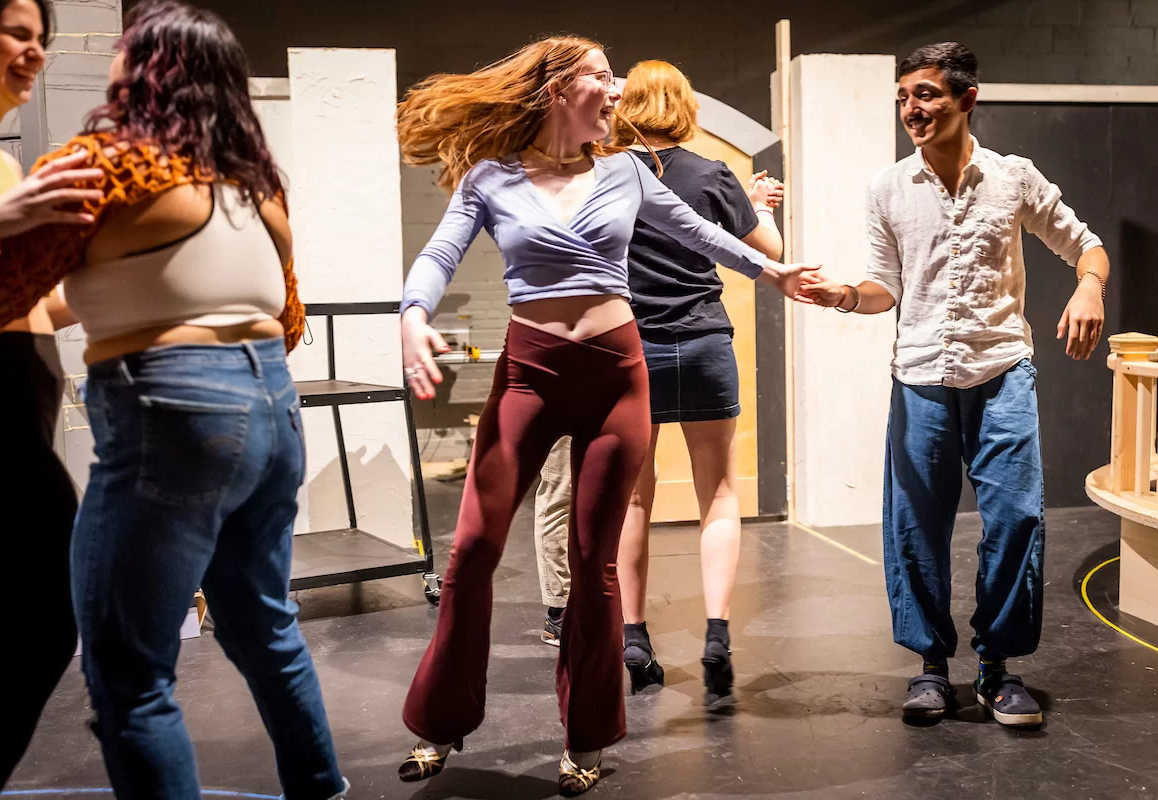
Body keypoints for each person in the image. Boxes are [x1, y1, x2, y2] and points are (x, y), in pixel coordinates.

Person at [395, 36, 816, 796]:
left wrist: (770, 269)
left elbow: (698, 230)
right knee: (473, 550)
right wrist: (412, 312)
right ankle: (440, 720)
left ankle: (587, 737)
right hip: (530, 372)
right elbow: (439, 253)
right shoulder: (491, 177)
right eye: (601, 75)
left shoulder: (624, 170)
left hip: (619, 373)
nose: (616, 89)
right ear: (559, 88)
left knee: (594, 568)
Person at [0, 1, 349, 796]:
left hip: (172, 413)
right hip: (271, 408)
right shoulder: (253, 183)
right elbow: (287, 315)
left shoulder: (113, 162)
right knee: (267, 629)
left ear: (146, 69)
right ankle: (323, 790)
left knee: (129, 674)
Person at [799, 42, 1108, 727]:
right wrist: (845, 296)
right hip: (919, 380)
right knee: (916, 526)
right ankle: (931, 667)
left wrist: (1089, 287)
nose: (913, 109)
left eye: (928, 95)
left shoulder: (1013, 176)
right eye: (905, 96)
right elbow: (885, 288)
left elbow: (1086, 244)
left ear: (968, 98)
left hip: (1002, 371)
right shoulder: (886, 188)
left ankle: (999, 669)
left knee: (1018, 519)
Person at [531, 60, 785, 706]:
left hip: (632, 350)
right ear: (685, 108)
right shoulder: (713, 175)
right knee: (719, 498)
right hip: (702, 342)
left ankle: (636, 637)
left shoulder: (606, 178)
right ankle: (718, 635)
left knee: (635, 501)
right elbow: (772, 251)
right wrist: (757, 207)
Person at [0, 0, 105, 794]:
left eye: (43, 39)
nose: (36, 52)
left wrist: (118, 269)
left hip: (11, 415)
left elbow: (34, 306)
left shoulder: (0, 162)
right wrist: (10, 215)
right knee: (45, 626)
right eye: (19, 33)